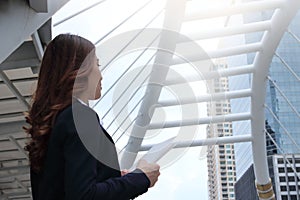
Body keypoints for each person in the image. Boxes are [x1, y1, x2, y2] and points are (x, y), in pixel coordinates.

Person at [24, 34, 160, 200]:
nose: (101, 75)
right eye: (97, 64)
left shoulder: (50, 124)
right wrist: (141, 178)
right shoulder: (81, 117)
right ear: (80, 70)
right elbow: (84, 195)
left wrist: (115, 177)